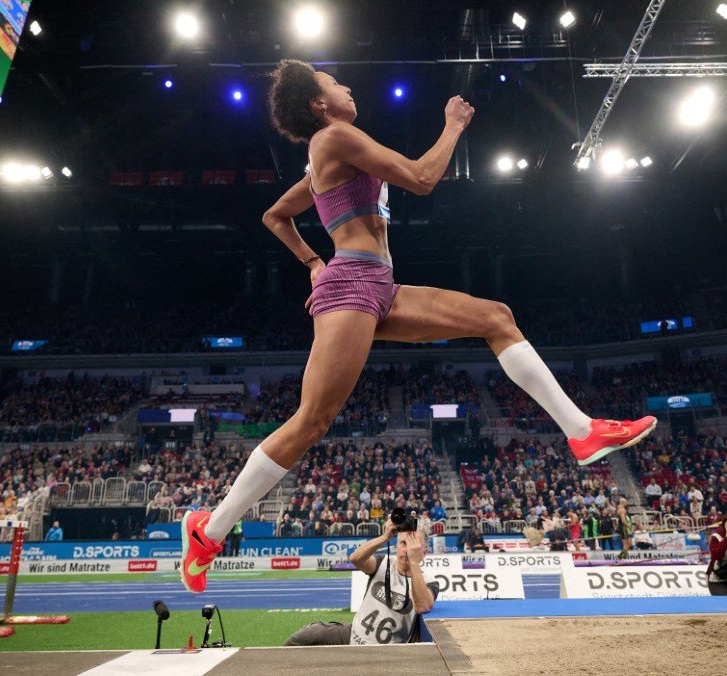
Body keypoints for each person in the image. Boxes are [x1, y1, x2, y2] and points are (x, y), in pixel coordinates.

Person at [177, 59, 657, 593]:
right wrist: (452, 126)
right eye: (334, 83)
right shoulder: (334, 137)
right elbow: (423, 179)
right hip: (351, 286)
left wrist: (312, 261)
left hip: (379, 285)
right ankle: (209, 531)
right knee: (313, 421)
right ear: (319, 104)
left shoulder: (327, 155)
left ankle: (582, 431)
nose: (346, 86)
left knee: (496, 317)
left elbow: (276, 215)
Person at [283, 522, 436, 645]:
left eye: (413, 546)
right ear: (396, 546)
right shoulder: (383, 562)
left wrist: (414, 563)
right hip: (353, 635)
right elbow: (355, 559)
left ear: (424, 553)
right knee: (313, 632)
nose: (407, 550)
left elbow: (423, 605)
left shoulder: (429, 581)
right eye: (403, 543)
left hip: (387, 651)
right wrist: (385, 536)